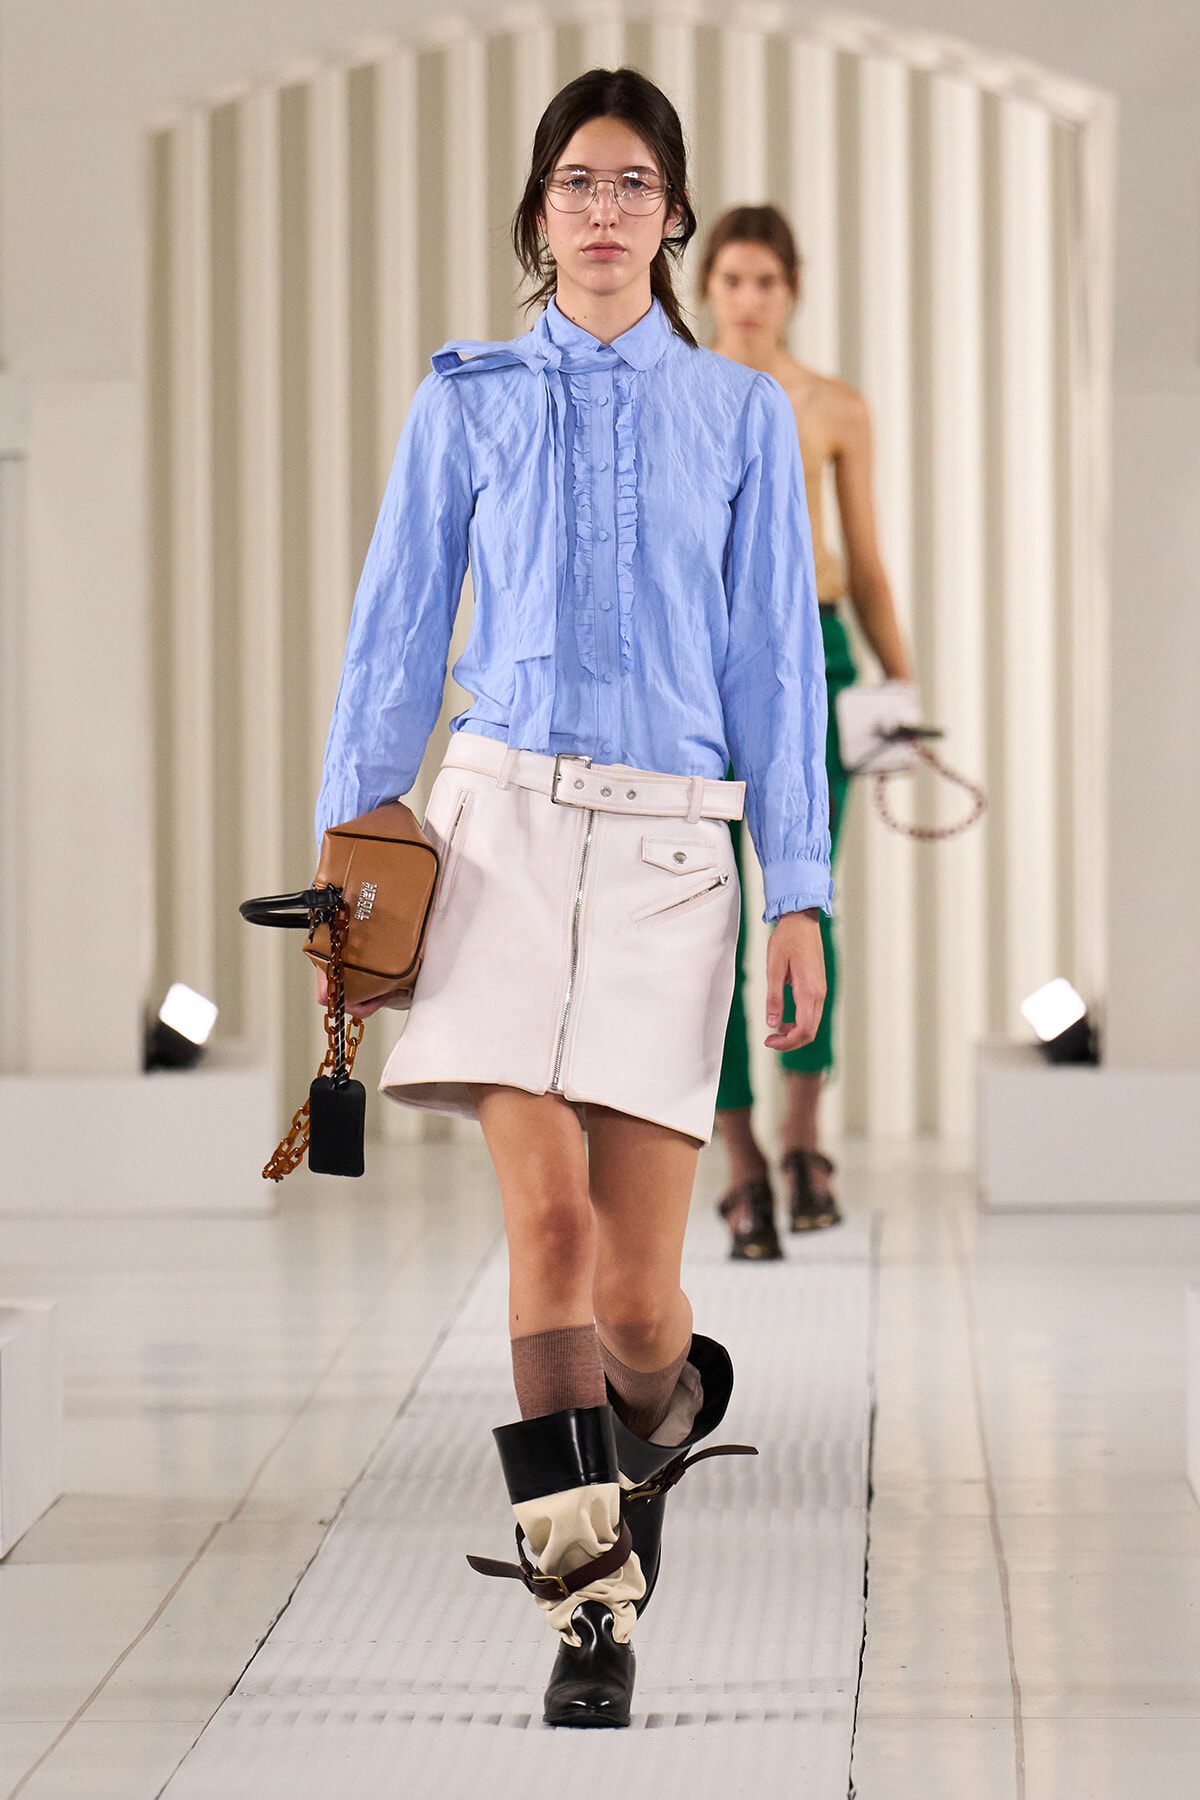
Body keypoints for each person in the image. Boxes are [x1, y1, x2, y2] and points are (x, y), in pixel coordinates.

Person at [314, 76, 829, 1728]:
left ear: (673, 216)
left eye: (635, 182)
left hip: (678, 856)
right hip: (498, 836)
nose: (602, 207)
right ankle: (588, 1603)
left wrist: (799, 895)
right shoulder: (462, 397)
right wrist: (351, 846)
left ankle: (665, 1403)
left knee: (632, 1296)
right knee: (540, 1229)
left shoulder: (741, 416)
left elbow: (770, 675)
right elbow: (397, 629)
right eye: (574, 181)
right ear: (537, 213)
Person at [702, 205, 914, 1259]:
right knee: (714, 920)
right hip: (700, 665)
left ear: (791, 291)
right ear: (707, 291)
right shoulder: (680, 395)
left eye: (766, 282)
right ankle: (737, 1159)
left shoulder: (833, 406)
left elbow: (865, 561)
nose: (748, 299)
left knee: (805, 901)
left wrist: (903, 692)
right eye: (732, 280)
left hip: (819, 658)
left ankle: (802, 1138)